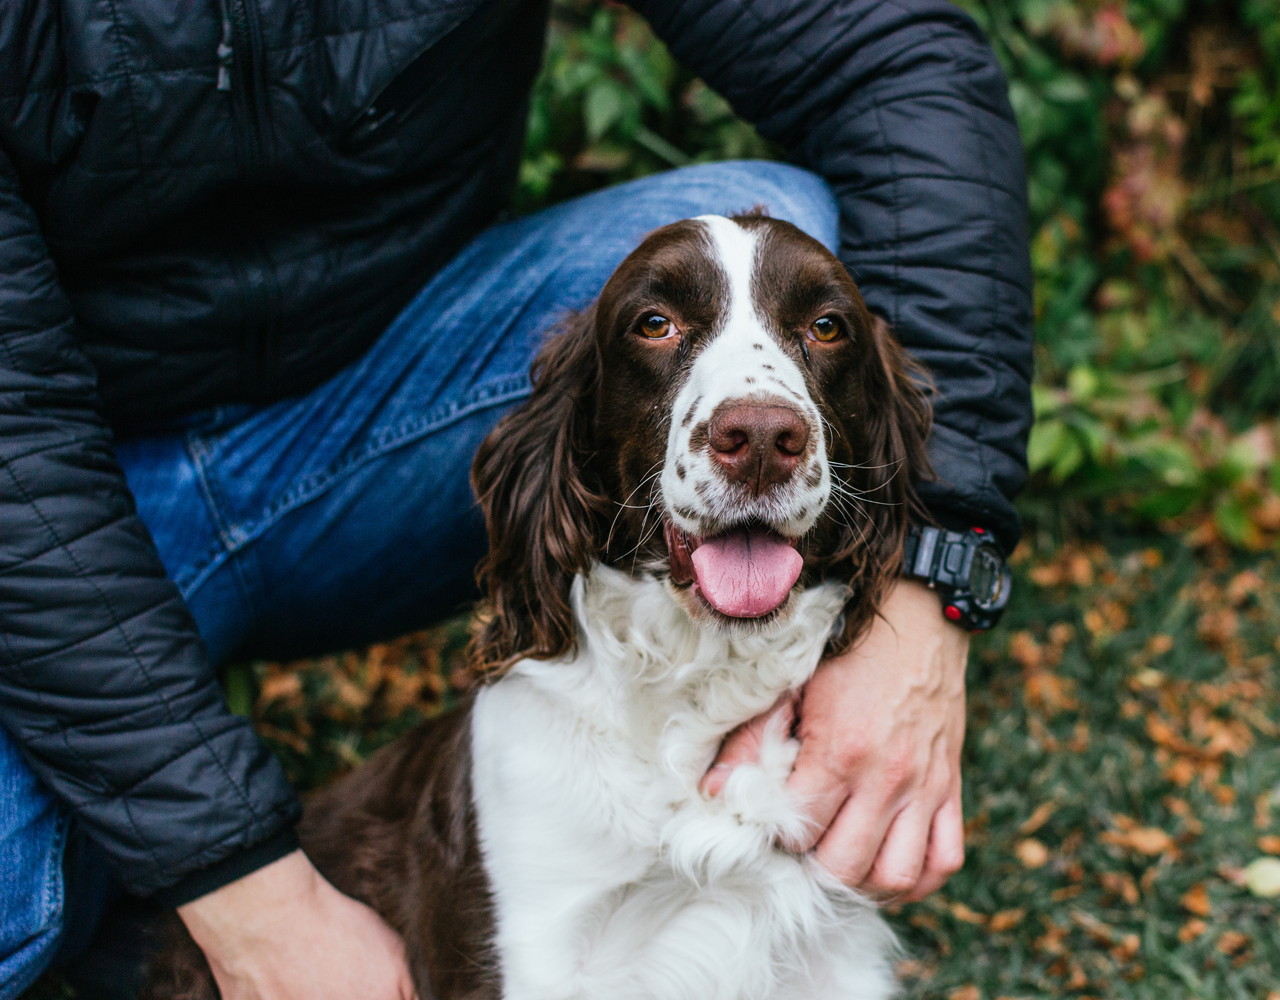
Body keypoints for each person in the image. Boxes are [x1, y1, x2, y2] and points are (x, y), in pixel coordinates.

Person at [0, 1, 1033, 997]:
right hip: (41, 471)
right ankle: (95, 853)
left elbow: (896, 63)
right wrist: (247, 892)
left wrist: (930, 574)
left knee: (784, 236)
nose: (756, 413)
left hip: (379, 382)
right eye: (668, 333)